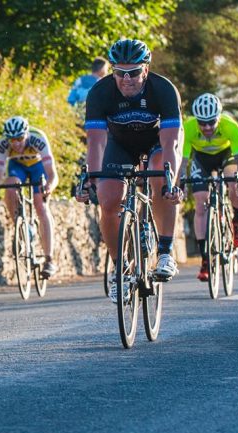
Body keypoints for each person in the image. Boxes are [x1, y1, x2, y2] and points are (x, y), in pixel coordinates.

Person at [76, 39, 184, 303]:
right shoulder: (100, 93)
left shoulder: (164, 90)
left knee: (160, 171)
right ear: (112, 71)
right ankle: (121, 270)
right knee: (108, 199)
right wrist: (91, 178)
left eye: (134, 72)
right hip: (120, 144)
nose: (127, 79)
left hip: (158, 143)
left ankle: (165, 252)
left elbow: (171, 142)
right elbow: (96, 142)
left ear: (145, 70)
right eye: (120, 72)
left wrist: (171, 181)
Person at [180, 93, 238, 281]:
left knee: (233, 180)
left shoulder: (231, 127)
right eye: (203, 123)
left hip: (226, 156)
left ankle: (236, 221)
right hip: (201, 160)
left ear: (219, 117)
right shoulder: (187, 127)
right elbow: (183, 160)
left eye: (212, 122)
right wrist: (180, 182)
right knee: (201, 202)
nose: (207, 127)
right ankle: (204, 260)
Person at [0, 116, 59, 278]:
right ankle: (22, 227)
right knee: (9, 187)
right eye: (12, 140)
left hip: (39, 167)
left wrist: (49, 187)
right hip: (18, 167)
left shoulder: (38, 139)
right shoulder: (2, 145)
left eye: (19, 138)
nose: (16, 143)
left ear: (26, 134)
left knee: (41, 206)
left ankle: (49, 259)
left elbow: (53, 174)